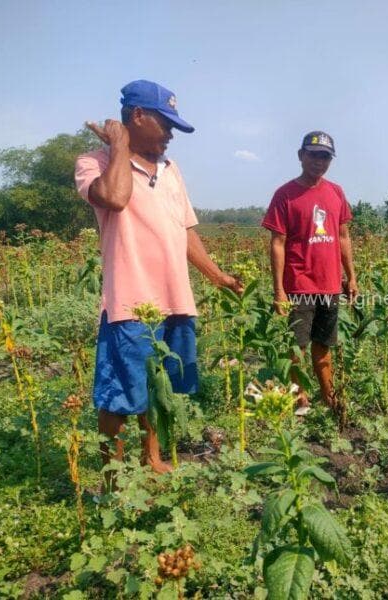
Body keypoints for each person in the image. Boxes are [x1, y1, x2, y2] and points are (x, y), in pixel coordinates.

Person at [75, 80, 242, 477]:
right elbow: (114, 198)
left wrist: (217, 275)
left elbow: (184, 229)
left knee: (159, 387)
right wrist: (118, 146)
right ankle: (112, 480)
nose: (170, 136)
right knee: (119, 395)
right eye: (164, 125)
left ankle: (151, 459)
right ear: (137, 117)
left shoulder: (171, 170)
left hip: (175, 300)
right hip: (130, 304)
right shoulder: (94, 162)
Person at [262, 131, 357, 414]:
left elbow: (343, 237)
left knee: (324, 344)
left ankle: (329, 397)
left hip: (329, 285)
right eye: (314, 155)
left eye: (325, 156)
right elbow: (277, 244)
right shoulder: (285, 195)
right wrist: (279, 289)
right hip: (299, 284)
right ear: (301, 156)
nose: (319, 161)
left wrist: (351, 276)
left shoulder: (336, 192)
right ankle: (299, 399)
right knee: (297, 347)